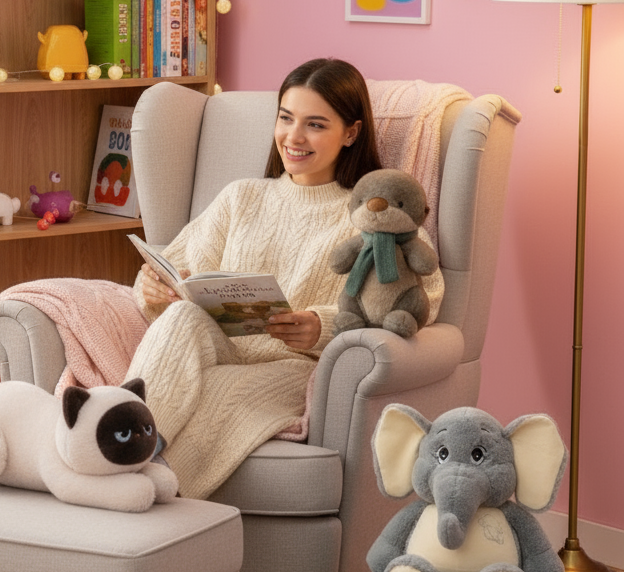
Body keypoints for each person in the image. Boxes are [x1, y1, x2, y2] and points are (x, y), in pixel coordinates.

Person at [124, 57, 444, 499]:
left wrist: (324, 324)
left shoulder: (373, 215)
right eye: (285, 118)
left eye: (315, 124)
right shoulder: (242, 196)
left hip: (296, 367)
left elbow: (423, 298)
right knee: (181, 319)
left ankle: (140, 492)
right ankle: (114, 448)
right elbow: (175, 271)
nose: (293, 137)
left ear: (350, 133)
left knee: (220, 393)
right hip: (218, 346)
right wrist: (153, 291)